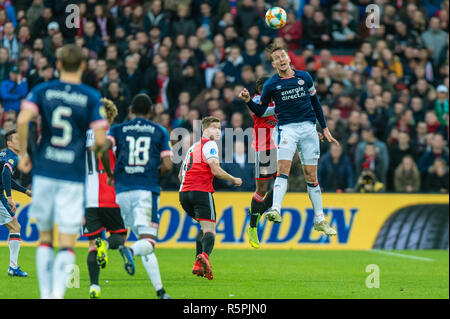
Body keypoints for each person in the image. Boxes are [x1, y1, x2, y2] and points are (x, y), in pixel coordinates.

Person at [16, 44, 109, 299]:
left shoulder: (43, 90)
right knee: (67, 241)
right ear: (82, 66)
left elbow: (23, 120)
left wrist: (24, 154)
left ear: (57, 65)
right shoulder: (90, 97)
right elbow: (101, 140)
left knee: (45, 238)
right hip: (72, 176)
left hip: (44, 171)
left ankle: (46, 294)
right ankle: (57, 294)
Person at [239, 43, 338, 236]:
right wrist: (248, 100)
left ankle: (319, 219)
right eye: (277, 59)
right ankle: (275, 209)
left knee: (311, 176)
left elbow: (315, 102)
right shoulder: (271, 85)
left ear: (289, 58)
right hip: (286, 130)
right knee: (282, 172)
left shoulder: (305, 77)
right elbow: (260, 110)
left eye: (283, 56)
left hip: (309, 129)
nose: (281, 60)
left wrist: (324, 127)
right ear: (274, 64)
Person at [101, 93, 172, 299]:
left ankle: (160, 292)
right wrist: (153, 172)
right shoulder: (159, 131)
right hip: (146, 190)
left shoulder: (118, 129)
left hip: (122, 192)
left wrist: (110, 173)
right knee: (147, 242)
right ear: (150, 112)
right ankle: (129, 252)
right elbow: (167, 165)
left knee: (145, 242)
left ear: (131, 110)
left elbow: (104, 148)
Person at [179, 116, 242, 280]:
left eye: (220, 128)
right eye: (215, 128)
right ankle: (204, 257)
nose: (218, 131)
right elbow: (215, 170)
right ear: (205, 130)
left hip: (183, 194)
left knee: (202, 227)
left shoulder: (193, 147)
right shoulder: (210, 145)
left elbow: (181, 175)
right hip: (200, 191)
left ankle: (197, 264)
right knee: (210, 230)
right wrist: (234, 179)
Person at [82, 98, 128, 299]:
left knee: (92, 245)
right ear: (111, 115)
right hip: (112, 195)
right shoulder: (114, 134)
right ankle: (106, 245)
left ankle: (94, 286)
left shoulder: (81, 136)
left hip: (88, 198)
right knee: (120, 236)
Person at [246, 76, 278, 249]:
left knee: (282, 184)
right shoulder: (257, 100)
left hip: (277, 148)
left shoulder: (276, 101)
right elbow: (261, 111)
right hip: (261, 149)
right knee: (262, 190)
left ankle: (258, 213)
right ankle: (252, 226)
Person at [0, 129, 31, 277]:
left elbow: (5, 177)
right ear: (9, 143)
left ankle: (13, 267)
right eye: (17, 139)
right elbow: (6, 173)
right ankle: (13, 267)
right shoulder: (12, 156)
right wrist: (10, 198)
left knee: (15, 226)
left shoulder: (3, 154)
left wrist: (25, 191)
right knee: (15, 226)